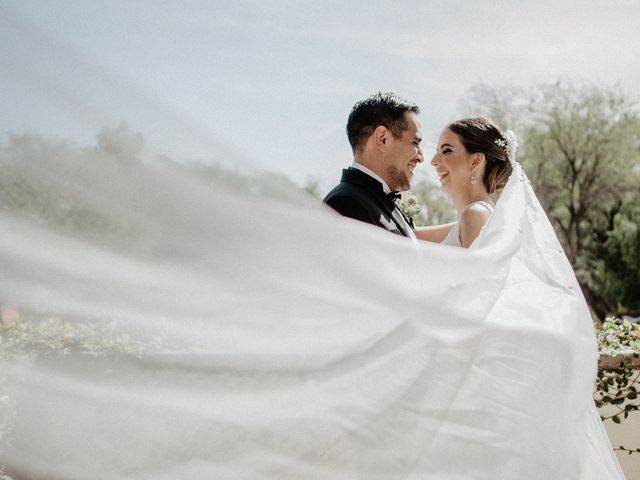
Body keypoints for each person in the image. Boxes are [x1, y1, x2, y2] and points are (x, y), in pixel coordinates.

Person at [323, 92, 423, 240]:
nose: (421, 157)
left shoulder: (378, 201)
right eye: (415, 142)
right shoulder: (346, 204)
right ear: (383, 139)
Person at [417, 117, 513, 248]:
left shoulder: (474, 215)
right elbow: (410, 236)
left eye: (446, 151)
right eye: (437, 151)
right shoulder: (476, 216)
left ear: (476, 161)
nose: (434, 161)